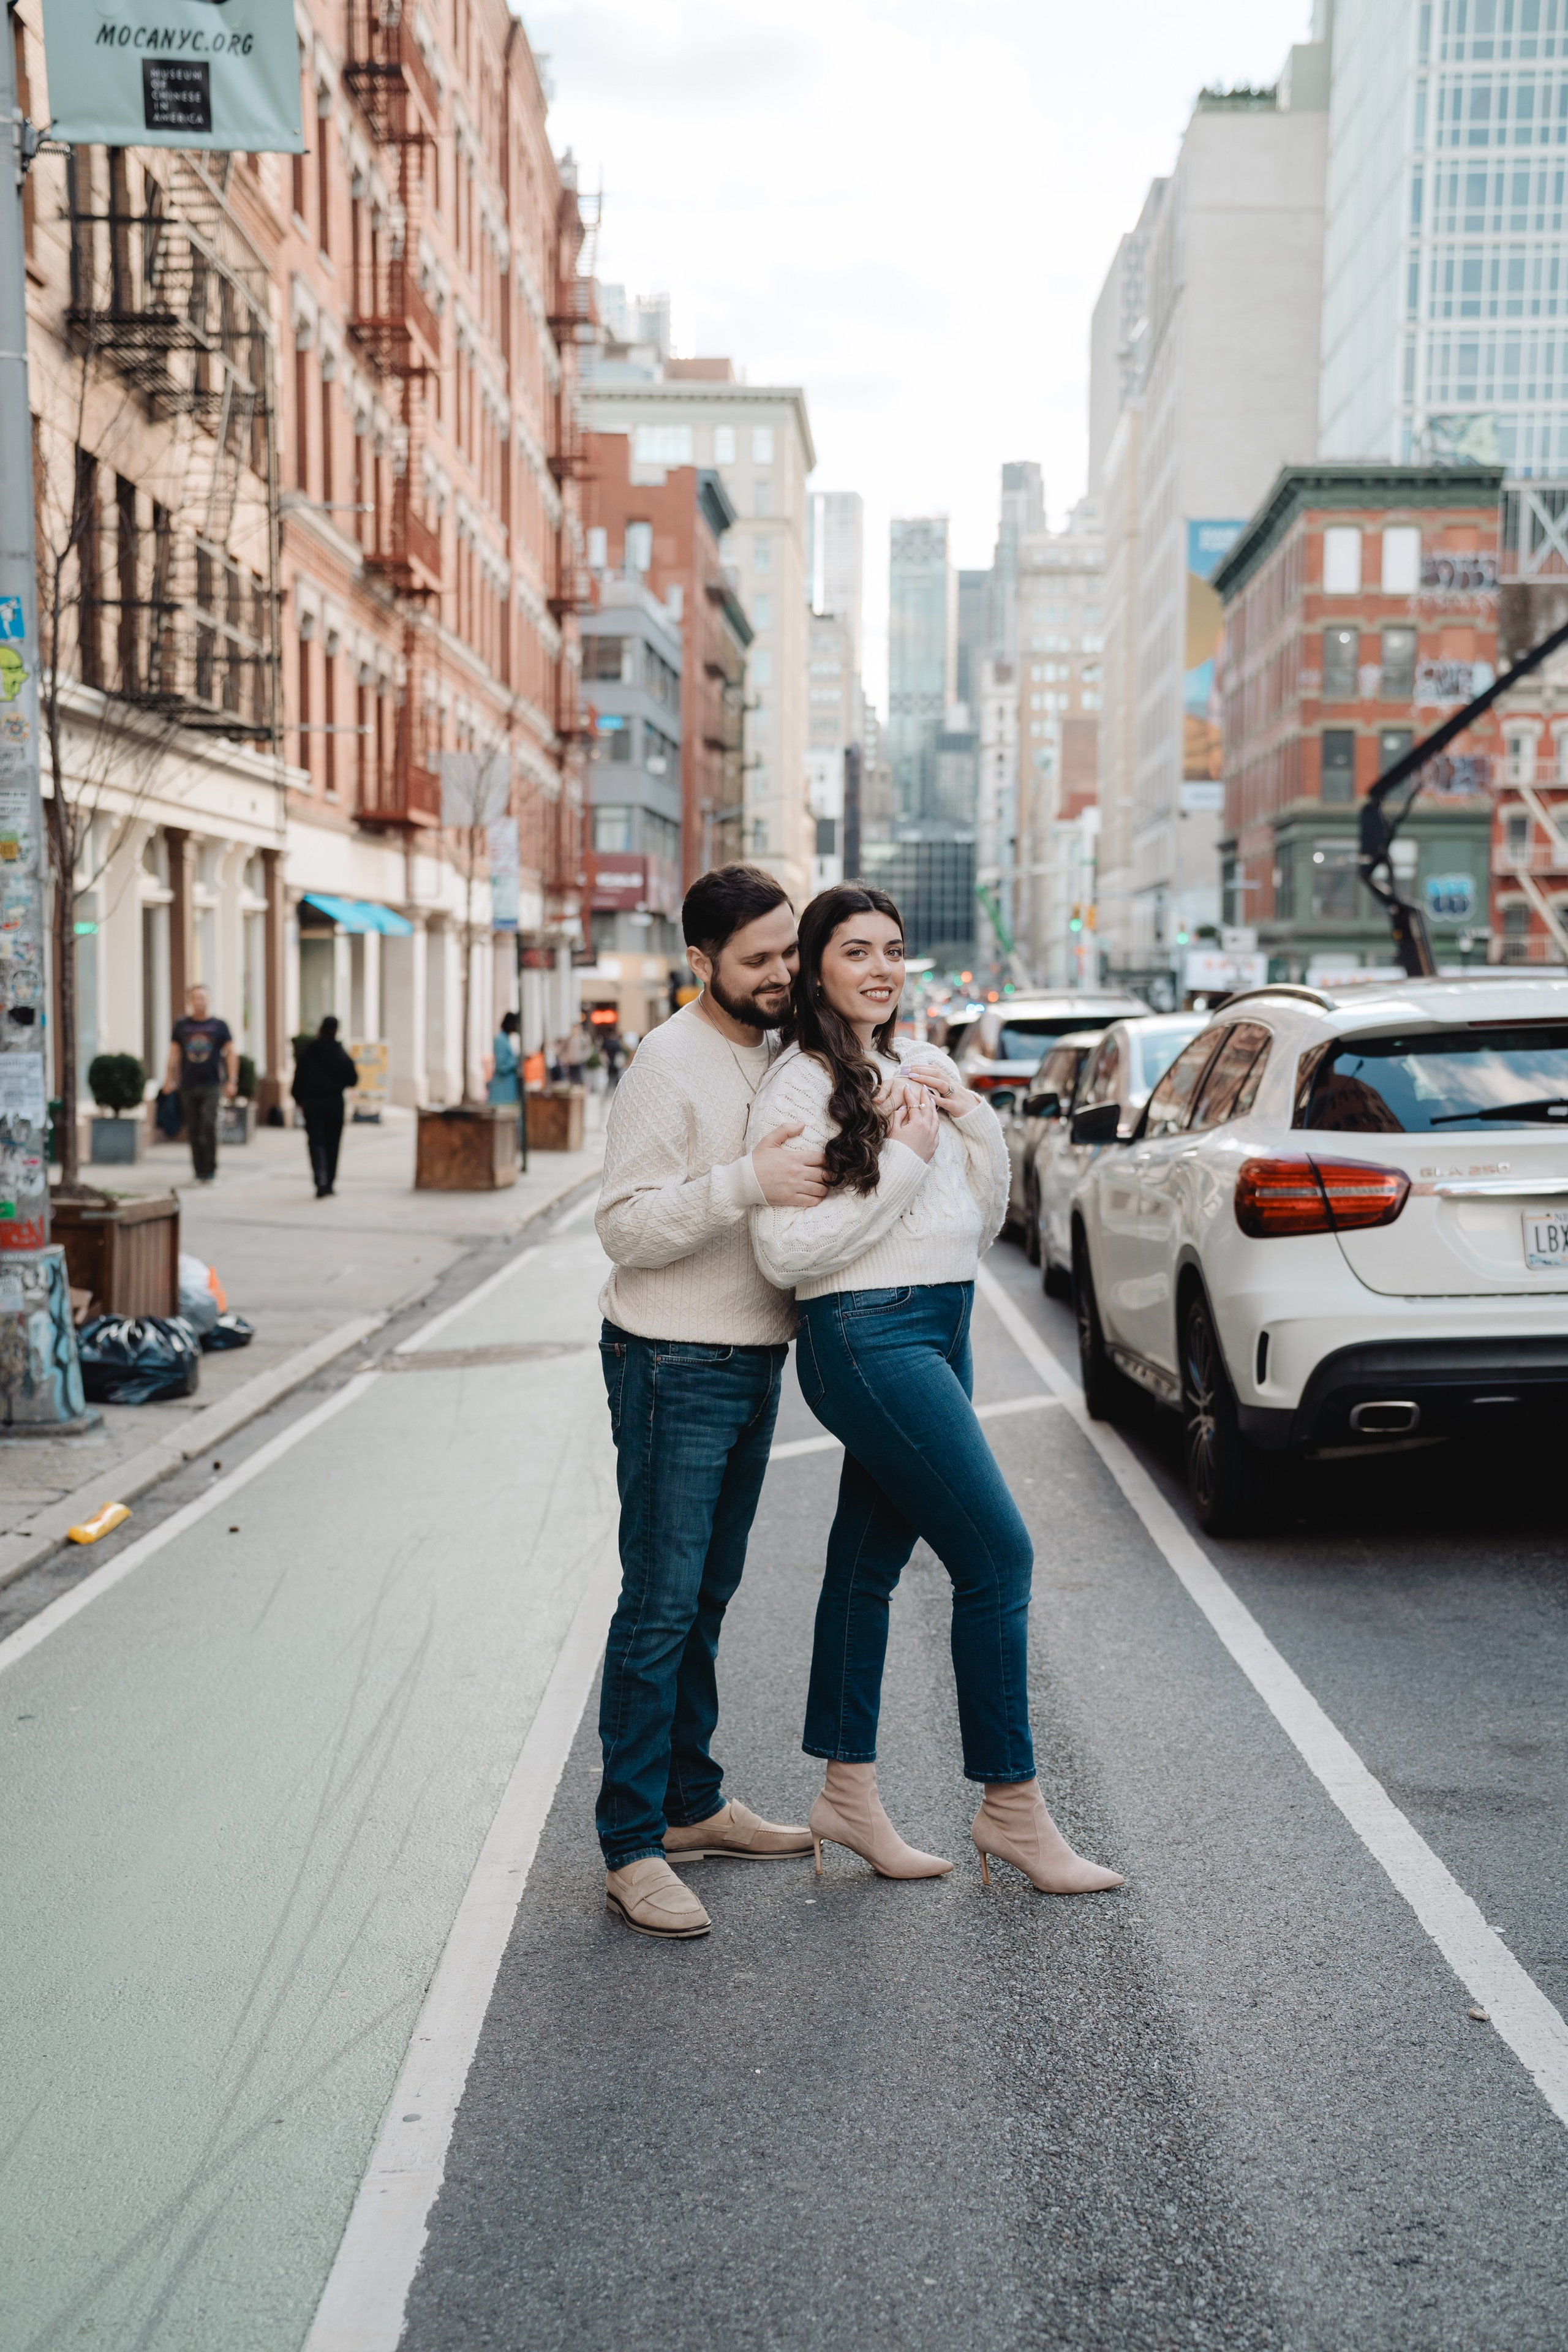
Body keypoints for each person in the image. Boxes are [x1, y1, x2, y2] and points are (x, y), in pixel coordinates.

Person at [746, 883, 1123, 1899]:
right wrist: (906, 1161)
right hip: (863, 1335)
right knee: (998, 1556)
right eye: (857, 950)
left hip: (943, 1324)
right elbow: (787, 1254)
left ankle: (847, 1795)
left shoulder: (918, 1064)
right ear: (815, 965)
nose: (881, 968)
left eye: (895, 951)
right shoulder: (798, 1087)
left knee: (866, 1565)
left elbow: (985, 1219)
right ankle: (1013, 1811)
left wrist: (971, 1121)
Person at [593, 864, 830, 1940]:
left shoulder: (785, 1054)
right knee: (659, 1604)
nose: (784, 973)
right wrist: (747, 1182)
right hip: (670, 1364)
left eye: (789, 951)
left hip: (750, 1358)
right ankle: (632, 1846)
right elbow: (627, 1227)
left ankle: (691, 1806)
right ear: (701, 963)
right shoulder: (665, 1062)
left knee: (708, 1598)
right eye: (760, 960)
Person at [163, 984, 236, 1185]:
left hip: (212, 1084)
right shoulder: (182, 1025)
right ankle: (199, 1171)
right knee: (194, 1128)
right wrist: (168, 1078)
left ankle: (211, 1169)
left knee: (209, 1125)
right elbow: (174, 1053)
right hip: (188, 1084)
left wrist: (232, 1081)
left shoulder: (220, 1026)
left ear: (209, 1000)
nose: (199, 1002)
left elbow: (231, 1054)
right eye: (196, 998)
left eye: (203, 998)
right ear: (190, 1001)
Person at [291, 1016, 360, 1197]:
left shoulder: (310, 1051)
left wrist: (298, 1098)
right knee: (333, 1143)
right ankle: (329, 1181)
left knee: (316, 1141)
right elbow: (353, 1079)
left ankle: (320, 1176)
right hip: (334, 1103)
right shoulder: (339, 1052)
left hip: (313, 1103)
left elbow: (299, 1077)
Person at [488, 1011, 521, 1107]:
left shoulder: (506, 1039)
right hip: (502, 1089)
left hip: (508, 1088)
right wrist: (516, 1061)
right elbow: (501, 1066)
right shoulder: (500, 1040)